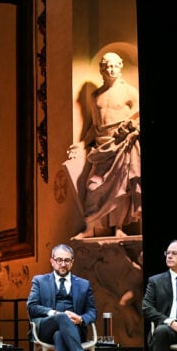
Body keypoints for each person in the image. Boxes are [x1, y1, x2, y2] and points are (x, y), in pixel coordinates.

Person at [65, 51, 141, 239]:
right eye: (107, 66)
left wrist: (132, 130)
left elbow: (139, 118)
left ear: (121, 66)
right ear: (101, 69)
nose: (111, 69)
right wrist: (82, 144)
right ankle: (90, 227)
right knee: (93, 187)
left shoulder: (129, 92)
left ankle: (119, 228)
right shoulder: (96, 95)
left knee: (120, 190)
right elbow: (94, 126)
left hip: (121, 145)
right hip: (101, 148)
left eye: (114, 65)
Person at [26, 243, 99, 351]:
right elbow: (31, 307)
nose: (63, 264)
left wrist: (81, 319)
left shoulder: (84, 284)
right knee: (62, 318)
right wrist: (54, 314)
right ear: (52, 261)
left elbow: (92, 312)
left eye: (67, 260)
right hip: (45, 327)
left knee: (60, 336)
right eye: (59, 260)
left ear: (72, 262)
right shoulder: (39, 281)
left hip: (73, 331)